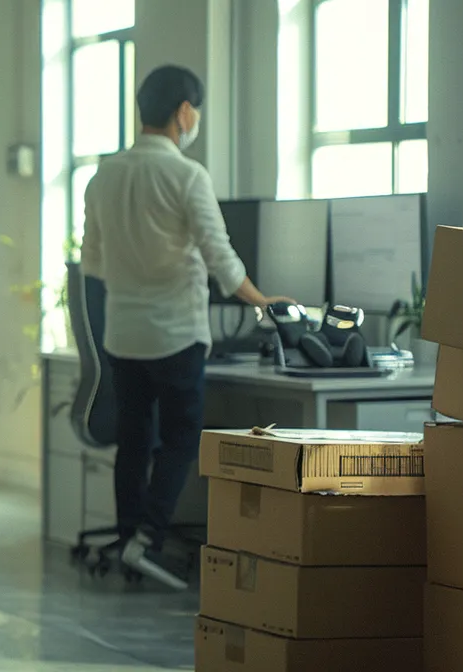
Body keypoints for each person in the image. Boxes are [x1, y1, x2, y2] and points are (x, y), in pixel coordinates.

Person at [79, 64, 291, 585]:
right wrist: (262, 302)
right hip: (176, 335)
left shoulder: (103, 177)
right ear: (183, 112)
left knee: (134, 441)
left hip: (123, 337)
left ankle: (129, 537)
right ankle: (149, 538)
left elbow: (93, 263)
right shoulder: (187, 176)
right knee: (179, 439)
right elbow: (221, 257)